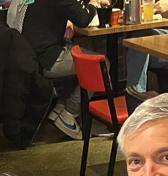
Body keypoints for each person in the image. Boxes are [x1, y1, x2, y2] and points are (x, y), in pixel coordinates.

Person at [21, 0, 108, 139]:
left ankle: (59, 109)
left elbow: (66, 11)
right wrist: (94, 3)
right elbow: (83, 19)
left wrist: (69, 20)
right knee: (100, 65)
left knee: (82, 57)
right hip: (47, 59)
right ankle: (68, 114)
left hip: (32, 55)